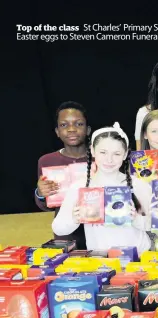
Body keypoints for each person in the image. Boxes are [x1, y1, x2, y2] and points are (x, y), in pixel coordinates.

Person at [52, 123, 152, 255]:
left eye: (116, 154)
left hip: (139, 259)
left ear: (125, 154)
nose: (109, 159)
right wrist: (74, 219)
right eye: (103, 152)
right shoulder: (80, 186)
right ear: (92, 150)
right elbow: (58, 228)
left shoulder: (138, 185)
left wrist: (136, 219)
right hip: (101, 261)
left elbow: (156, 224)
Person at [35, 101, 91, 250]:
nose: (71, 129)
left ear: (88, 130)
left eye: (79, 124)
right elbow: (45, 205)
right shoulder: (47, 161)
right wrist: (41, 193)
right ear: (57, 132)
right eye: (64, 125)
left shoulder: (103, 157)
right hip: (66, 235)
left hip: (99, 231)